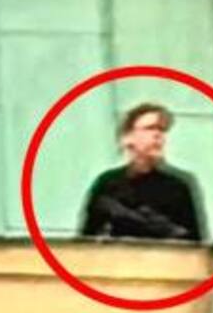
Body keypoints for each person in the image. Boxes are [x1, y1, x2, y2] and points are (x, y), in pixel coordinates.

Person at [79, 102, 205, 242]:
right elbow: (86, 242)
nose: (158, 135)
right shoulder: (108, 184)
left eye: (162, 129)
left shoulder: (179, 185)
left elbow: (196, 244)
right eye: (149, 128)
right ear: (127, 138)